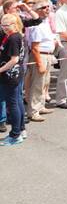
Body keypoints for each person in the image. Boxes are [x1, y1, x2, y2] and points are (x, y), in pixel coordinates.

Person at [24, 0, 56, 123]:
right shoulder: (36, 26)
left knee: (45, 83)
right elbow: (35, 47)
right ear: (36, 10)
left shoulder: (45, 22)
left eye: (48, 6)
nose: (47, 9)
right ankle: (33, 111)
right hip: (40, 55)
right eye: (43, 7)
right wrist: (40, 63)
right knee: (37, 84)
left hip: (47, 54)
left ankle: (41, 105)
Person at [0, 12, 25, 146]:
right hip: (12, 75)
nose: (3, 27)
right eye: (2, 24)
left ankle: (15, 135)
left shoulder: (13, 38)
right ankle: (21, 130)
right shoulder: (8, 36)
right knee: (17, 101)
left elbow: (14, 59)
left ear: (14, 25)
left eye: (6, 25)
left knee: (13, 104)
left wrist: (0, 70)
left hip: (11, 76)